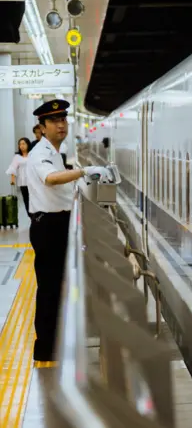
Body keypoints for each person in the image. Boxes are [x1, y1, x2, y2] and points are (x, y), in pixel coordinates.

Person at [26, 99, 113, 362]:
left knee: (56, 286)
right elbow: (50, 178)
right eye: (53, 121)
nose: (61, 124)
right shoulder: (41, 153)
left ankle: (54, 342)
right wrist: (83, 171)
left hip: (57, 224)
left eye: (63, 119)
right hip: (48, 227)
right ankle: (46, 348)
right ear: (41, 127)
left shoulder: (54, 152)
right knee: (50, 288)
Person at [6, 137, 32, 216]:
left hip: (33, 182)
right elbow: (13, 168)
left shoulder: (32, 155)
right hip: (23, 182)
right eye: (20, 144)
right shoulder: (17, 157)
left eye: (23, 144)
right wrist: (12, 179)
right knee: (26, 200)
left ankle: (37, 216)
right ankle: (31, 217)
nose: (21, 146)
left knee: (34, 200)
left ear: (28, 144)